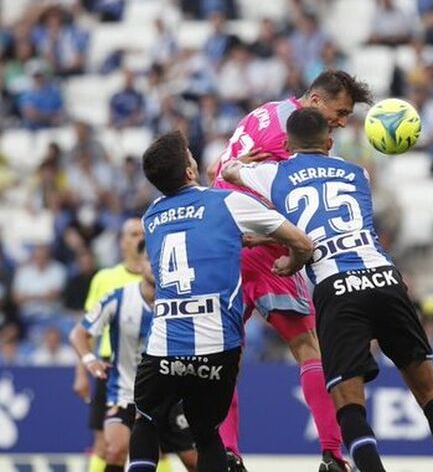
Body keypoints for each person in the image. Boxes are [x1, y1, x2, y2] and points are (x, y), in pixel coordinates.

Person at [222, 108, 433, 472]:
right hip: (384, 278)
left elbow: (229, 172)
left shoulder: (273, 173)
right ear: (329, 142)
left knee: (349, 404)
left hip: (336, 288)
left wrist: (244, 164)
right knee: (430, 391)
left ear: (288, 144)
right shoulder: (357, 173)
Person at [209, 70, 373, 471]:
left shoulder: (263, 113)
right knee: (307, 348)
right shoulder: (295, 140)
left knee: (228, 355)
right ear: (316, 101)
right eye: (340, 111)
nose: (342, 121)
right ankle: (333, 455)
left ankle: (227, 453)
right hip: (262, 246)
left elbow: (225, 172)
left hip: (220, 241)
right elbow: (294, 198)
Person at [129, 131, 313, 472]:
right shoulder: (227, 203)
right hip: (218, 346)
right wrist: (293, 262)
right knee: (207, 433)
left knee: (146, 422)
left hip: (164, 344)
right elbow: (302, 242)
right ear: (188, 170)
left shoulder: (150, 217)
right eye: (190, 156)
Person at [69, 242, 198, 472]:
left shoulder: (180, 301)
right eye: (151, 260)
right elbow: (79, 333)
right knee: (115, 449)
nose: (156, 266)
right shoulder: (117, 298)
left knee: (193, 461)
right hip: (124, 393)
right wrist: (89, 360)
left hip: (169, 397)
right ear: (139, 265)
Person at [72, 218, 145, 472]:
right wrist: (82, 372)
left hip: (150, 368)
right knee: (105, 445)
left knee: (154, 443)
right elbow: (86, 330)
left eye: (143, 234)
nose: (139, 239)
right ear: (123, 241)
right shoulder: (105, 278)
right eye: (134, 234)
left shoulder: (160, 277)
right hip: (110, 368)